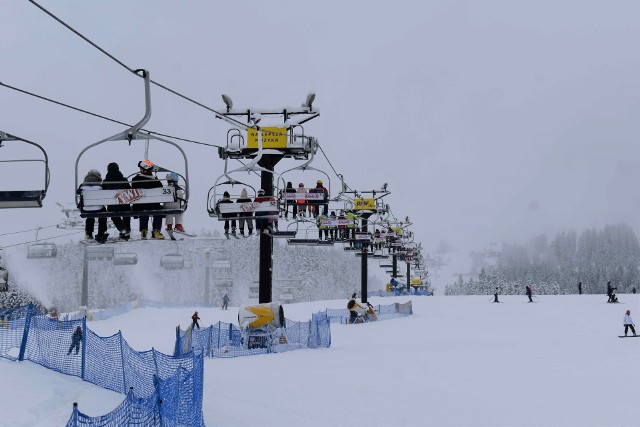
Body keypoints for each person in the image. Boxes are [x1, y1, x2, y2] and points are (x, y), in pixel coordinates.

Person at [131, 160, 165, 239]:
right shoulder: (156, 181)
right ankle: (156, 230)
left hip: (139, 206)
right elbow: (161, 191)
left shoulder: (135, 180)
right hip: (154, 206)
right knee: (157, 209)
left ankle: (143, 229)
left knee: (143, 206)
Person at [77, 169, 109, 243]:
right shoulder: (100, 186)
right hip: (98, 208)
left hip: (86, 208)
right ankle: (101, 233)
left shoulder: (83, 185)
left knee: (90, 216)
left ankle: (89, 233)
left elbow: (78, 192)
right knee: (103, 214)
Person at [102, 162, 131, 241]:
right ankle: (126, 233)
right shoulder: (124, 180)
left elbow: (103, 194)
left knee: (114, 215)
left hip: (112, 207)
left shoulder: (105, 182)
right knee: (126, 214)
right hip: (125, 205)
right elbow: (129, 191)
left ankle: (123, 229)